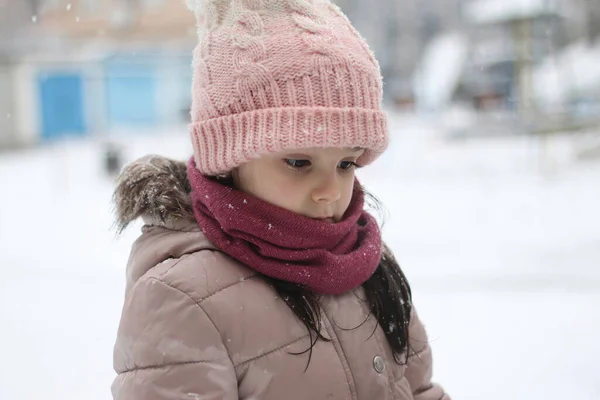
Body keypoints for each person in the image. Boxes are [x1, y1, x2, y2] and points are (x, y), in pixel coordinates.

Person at [111, 0, 450, 399]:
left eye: (346, 164)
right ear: (231, 157)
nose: (330, 191)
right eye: (298, 161)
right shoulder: (181, 299)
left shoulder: (365, 263)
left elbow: (418, 389)